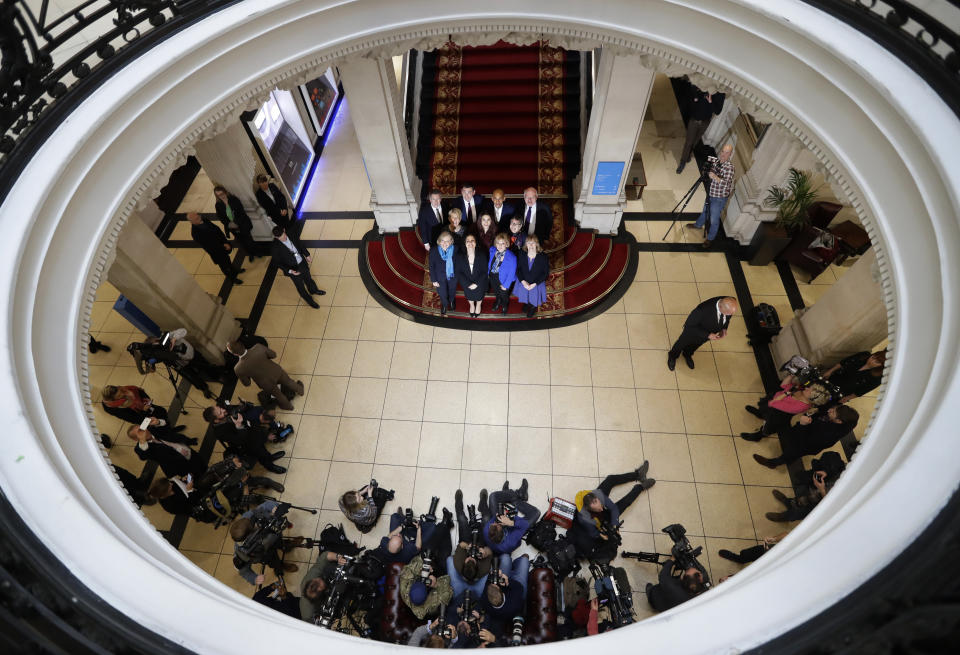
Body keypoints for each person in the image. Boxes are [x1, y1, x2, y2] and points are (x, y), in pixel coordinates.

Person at [571, 462, 655, 560]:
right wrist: (603, 535)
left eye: (601, 506)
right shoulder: (584, 519)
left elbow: (613, 508)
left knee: (610, 479)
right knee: (625, 503)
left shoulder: (598, 494)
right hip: (599, 520)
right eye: (599, 509)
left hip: (596, 507)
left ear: (596, 498)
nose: (602, 509)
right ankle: (640, 487)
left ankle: (637, 475)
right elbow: (593, 532)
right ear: (589, 509)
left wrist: (615, 523)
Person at [752, 405, 859, 468]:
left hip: (806, 444)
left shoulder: (829, 435)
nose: (830, 410)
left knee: (792, 453)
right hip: (807, 430)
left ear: (839, 421)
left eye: (833, 412)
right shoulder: (837, 420)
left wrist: (803, 425)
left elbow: (805, 442)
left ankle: (773, 463)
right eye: (834, 408)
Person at [202, 403, 288, 474]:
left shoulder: (225, 411)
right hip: (246, 442)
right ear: (216, 421)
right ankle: (270, 466)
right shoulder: (220, 432)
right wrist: (238, 426)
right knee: (259, 451)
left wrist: (243, 406)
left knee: (262, 447)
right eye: (220, 412)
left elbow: (237, 409)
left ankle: (270, 457)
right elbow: (239, 440)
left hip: (251, 430)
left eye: (220, 408)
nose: (224, 410)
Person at [230, 500, 300, 585]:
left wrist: (274, 508)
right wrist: (254, 579)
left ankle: (287, 546)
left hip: (276, 537)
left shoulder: (248, 517)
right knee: (274, 562)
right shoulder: (241, 550)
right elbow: (243, 570)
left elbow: (266, 505)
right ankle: (281, 566)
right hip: (266, 554)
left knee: (281, 543)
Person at [740, 377, 831, 441]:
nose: (806, 388)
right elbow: (784, 386)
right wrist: (791, 375)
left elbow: (773, 403)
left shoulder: (800, 406)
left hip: (777, 416)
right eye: (809, 387)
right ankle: (760, 414)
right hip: (773, 405)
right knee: (764, 411)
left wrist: (787, 393)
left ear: (812, 397)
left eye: (809, 390)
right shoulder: (802, 391)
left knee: (767, 427)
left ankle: (758, 436)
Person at [766, 452, 846, 523]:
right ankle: (789, 502)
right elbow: (834, 457)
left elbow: (832, 508)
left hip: (820, 503)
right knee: (800, 498)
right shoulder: (851, 470)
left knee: (800, 512)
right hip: (814, 488)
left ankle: (783, 517)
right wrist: (827, 471)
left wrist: (822, 490)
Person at [227, 340, 304, 412]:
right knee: (289, 382)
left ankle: (289, 407)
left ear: (235, 354)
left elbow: (247, 383)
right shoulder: (258, 347)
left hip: (266, 383)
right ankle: (300, 390)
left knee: (278, 395)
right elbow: (273, 355)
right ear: (242, 345)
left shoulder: (238, 369)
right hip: (276, 371)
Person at [667, 296, 739, 371]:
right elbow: (689, 326)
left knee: (695, 345)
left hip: (705, 336)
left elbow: (726, 319)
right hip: (691, 333)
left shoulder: (730, 303)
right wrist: (708, 335)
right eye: (728, 313)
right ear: (720, 307)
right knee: (681, 343)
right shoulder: (701, 310)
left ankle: (687, 354)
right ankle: (673, 356)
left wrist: (724, 328)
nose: (729, 315)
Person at [687, 143, 735, 248]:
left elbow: (726, 184)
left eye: (727, 153)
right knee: (705, 210)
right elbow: (709, 172)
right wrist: (708, 173)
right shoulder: (716, 162)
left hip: (719, 198)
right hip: (711, 193)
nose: (723, 154)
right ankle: (698, 225)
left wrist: (715, 177)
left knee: (714, 219)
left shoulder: (729, 168)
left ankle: (710, 238)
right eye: (723, 151)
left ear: (730, 154)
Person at [126, 420, 204, 479]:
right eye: (139, 433)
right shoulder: (141, 448)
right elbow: (143, 456)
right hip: (179, 465)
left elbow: (167, 427)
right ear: (136, 439)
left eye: (142, 428)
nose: (144, 431)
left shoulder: (153, 429)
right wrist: (142, 440)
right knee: (196, 477)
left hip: (188, 451)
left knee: (201, 464)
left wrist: (158, 422)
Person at [270, 226, 326, 309]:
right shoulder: (274, 247)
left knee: (308, 278)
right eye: (281, 238)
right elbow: (277, 263)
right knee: (300, 287)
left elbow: (300, 244)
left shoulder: (291, 233)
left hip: (302, 263)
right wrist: (290, 271)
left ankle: (313, 290)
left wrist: (307, 254)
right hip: (293, 269)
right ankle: (310, 301)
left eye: (284, 235)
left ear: (284, 230)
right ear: (276, 237)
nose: (284, 238)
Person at [676, 88, 724, 174]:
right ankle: (682, 162)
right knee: (689, 142)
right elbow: (692, 94)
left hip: (705, 122)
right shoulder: (704, 86)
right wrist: (695, 99)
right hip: (694, 119)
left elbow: (718, 111)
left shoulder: (720, 94)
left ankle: (688, 155)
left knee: (695, 141)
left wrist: (711, 101)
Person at [484, 479, 537, 555]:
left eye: (493, 523)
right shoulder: (510, 542)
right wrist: (511, 522)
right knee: (536, 513)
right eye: (496, 523)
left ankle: (512, 494)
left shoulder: (487, 530)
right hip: (513, 529)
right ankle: (517, 496)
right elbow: (524, 525)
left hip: (503, 527)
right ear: (501, 528)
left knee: (493, 496)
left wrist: (501, 515)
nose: (493, 522)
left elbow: (494, 519)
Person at [187, 212, 243, 284]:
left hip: (222, 244)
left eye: (198, 216)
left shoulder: (205, 220)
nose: (199, 218)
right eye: (196, 219)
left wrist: (225, 241)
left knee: (228, 260)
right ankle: (232, 278)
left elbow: (217, 230)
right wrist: (223, 246)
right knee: (224, 266)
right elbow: (209, 245)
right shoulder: (195, 233)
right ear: (191, 222)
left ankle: (235, 271)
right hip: (216, 252)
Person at [214, 185, 259, 261]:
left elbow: (241, 212)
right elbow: (221, 217)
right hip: (232, 228)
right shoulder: (218, 205)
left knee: (249, 240)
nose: (221, 196)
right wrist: (229, 224)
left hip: (242, 224)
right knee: (242, 242)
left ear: (225, 192)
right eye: (218, 195)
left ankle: (257, 252)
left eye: (221, 194)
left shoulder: (233, 199)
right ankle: (250, 254)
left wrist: (236, 223)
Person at [822, 350, 886, 402]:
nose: (871, 361)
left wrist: (847, 398)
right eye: (873, 357)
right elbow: (843, 362)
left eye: (876, 361)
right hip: (834, 378)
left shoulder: (877, 378)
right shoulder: (863, 356)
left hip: (841, 392)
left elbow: (862, 391)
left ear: (880, 366)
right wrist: (830, 371)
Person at [515, 234, 549, 318]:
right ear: (526, 244)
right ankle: (527, 304)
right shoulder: (522, 254)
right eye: (528, 243)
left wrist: (534, 284)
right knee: (525, 294)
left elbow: (545, 273)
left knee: (534, 297)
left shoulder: (543, 257)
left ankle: (533, 307)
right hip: (524, 281)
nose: (531, 245)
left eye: (533, 243)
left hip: (536, 283)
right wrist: (523, 281)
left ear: (537, 244)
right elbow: (518, 269)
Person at [455, 233, 488, 318]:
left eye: (472, 241)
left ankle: (478, 305)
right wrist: (467, 284)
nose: (470, 243)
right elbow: (458, 272)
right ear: (465, 243)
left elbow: (485, 272)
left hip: (479, 283)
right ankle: (472, 305)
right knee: (469, 296)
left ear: (476, 243)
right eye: (468, 241)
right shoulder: (459, 256)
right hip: (467, 284)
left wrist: (476, 283)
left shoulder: (482, 255)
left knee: (480, 296)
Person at [100, 384, 169, 424]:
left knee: (162, 411)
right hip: (142, 417)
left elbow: (139, 391)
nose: (122, 394)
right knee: (158, 427)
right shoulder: (115, 409)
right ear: (113, 400)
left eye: (120, 392)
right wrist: (143, 410)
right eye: (118, 396)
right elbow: (135, 419)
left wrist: (146, 400)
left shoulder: (123, 389)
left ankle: (166, 423)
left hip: (146, 406)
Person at [429, 230, 458, 317]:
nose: (445, 243)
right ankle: (445, 304)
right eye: (443, 240)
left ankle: (452, 300)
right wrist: (433, 280)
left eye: (448, 241)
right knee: (442, 293)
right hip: (439, 277)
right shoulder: (434, 250)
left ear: (451, 241)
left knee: (452, 290)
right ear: (439, 241)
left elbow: (459, 263)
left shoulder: (455, 249)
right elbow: (431, 266)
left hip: (452, 276)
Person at [488, 233, 517, 315]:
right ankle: (498, 300)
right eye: (498, 243)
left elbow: (512, 273)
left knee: (504, 294)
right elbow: (490, 263)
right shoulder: (492, 250)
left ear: (507, 244)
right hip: (493, 276)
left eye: (502, 243)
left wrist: (506, 285)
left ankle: (505, 305)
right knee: (497, 292)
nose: (500, 245)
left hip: (504, 279)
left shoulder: (512, 257)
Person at [717, 532, 787, 564]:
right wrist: (774, 539)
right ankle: (738, 558)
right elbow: (787, 534)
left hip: (767, 563)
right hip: (764, 550)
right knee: (745, 555)